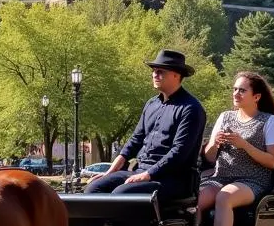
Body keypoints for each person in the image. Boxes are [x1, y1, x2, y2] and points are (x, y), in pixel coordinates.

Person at [84, 49, 206, 202]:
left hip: (173, 179)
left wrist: (148, 174)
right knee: (94, 188)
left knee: (121, 195)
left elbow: (179, 153)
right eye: (154, 71)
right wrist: (110, 171)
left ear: (176, 75)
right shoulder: (151, 104)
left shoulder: (191, 108)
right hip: (141, 171)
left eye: (160, 71)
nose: (154, 74)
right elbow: (135, 140)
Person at [199, 71, 274, 226]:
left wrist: (244, 145)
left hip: (252, 181)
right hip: (220, 177)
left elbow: (273, 162)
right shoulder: (225, 117)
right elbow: (209, 156)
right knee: (195, 201)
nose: (236, 94)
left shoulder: (269, 122)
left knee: (225, 197)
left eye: (242, 90)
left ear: (256, 97)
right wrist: (215, 143)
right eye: (234, 89)